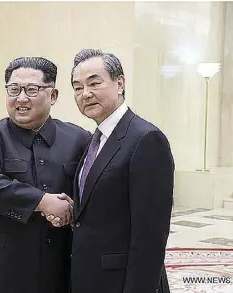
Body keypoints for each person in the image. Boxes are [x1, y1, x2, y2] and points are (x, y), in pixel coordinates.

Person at [0, 56, 90, 293]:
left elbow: (90, 191)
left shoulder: (79, 139)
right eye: (13, 89)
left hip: (59, 265)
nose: (21, 98)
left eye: (32, 90)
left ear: (53, 95)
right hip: (1, 268)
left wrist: (69, 210)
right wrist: (44, 202)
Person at [68, 49, 174, 293]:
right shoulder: (95, 139)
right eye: (77, 87)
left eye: (95, 83)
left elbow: (150, 236)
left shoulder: (146, 139)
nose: (86, 94)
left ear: (120, 83)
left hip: (122, 282)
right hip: (90, 278)